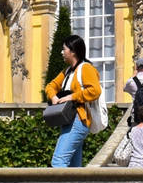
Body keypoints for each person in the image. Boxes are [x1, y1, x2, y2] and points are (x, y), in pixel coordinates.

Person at [44, 34, 102, 168]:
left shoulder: (86, 68)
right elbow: (50, 86)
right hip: (68, 120)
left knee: (59, 161)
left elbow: (95, 90)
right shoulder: (68, 71)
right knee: (74, 167)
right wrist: (54, 97)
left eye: (64, 49)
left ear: (73, 51)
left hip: (78, 119)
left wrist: (72, 97)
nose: (62, 52)